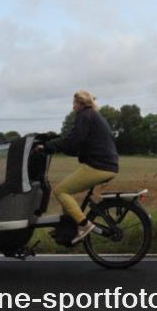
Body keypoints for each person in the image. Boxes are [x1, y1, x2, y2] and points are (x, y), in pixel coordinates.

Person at [35, 90, 119, 245]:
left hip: (98, 166)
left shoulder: (85, 116)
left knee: (61, 191)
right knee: (67, 190)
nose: (72, 106)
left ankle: (84, 225)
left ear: (80, 103)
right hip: (106, 164)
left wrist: (47, 147)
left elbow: (72, 141)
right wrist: (55, 145)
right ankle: (67, 229)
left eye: (74, 103)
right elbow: (75, 146)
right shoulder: (93, 115)